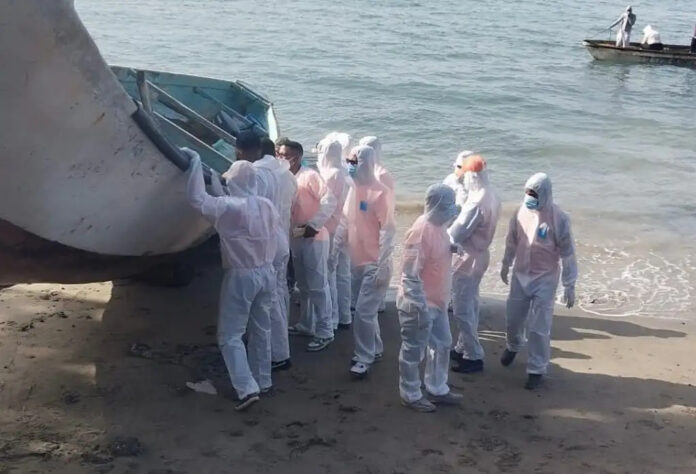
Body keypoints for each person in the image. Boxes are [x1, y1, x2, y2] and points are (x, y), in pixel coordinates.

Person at [184, 149, 278, 411]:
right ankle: (263, 380)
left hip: (242, 275)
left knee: (230, 335)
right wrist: (217, 185)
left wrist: (194, 162)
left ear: (234, 183)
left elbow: (196, 199)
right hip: (267, 272)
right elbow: (233, 206)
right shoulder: (266, 205)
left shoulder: (228, 207)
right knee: (261, 328)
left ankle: (246, 389)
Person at [500, 173, 578, 390]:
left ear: (544, 194)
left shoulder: (559, 218)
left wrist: (569, 284)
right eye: (527, 192)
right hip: (521, 274)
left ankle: (536, 368)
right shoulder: (519, 212)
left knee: (539, 327)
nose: (529, 197)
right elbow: (511, 241)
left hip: (545, 278)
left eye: (533, 194)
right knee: (513, 318)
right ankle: (513, 344)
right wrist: (506, 264)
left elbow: (568, 253)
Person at [397, 184, 463, 412]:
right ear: (435, 205)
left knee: (442, 344)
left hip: (438, 301)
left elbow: (436, 251)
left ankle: (437, 387)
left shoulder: (439, 227)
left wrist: (451, 248)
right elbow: (410, 273)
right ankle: (411, 393)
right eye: (447, 205)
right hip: (419, 304)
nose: (451, 210)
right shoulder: (420, 231)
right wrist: (418, 305)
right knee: (414, 349)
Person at [333, 145, 395, 378]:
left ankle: (363, 357)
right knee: (364, 311)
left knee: (363, 313)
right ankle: (375, 347)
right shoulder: (355, 188)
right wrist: (335, 249)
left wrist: (381, 263)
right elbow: (346, 220)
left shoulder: (380, 193)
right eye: (348, 160)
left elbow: (388, 232)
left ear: (364, 162)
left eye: (353, 161)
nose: (349, 165)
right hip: (357, 260)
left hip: (374, 263)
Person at [279, 140, 337, 352]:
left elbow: (329, 200)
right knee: (303, 285)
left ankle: (325, 331)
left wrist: (314, 224)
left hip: (314, 237)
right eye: (280, 154)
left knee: (318, 285)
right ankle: (306, 323)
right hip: (295, 236)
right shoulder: (284, 178)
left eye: (286, 155)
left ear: (298, 156)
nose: (282, 158)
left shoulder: (309, 176)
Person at [448, 154, 501, 374]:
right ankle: (463, 346)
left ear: (471, 176)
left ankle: (473, 354)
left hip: (467, 259)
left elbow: (458, 233)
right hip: (480, 255)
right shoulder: (492, 196)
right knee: (471, 303)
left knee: (461, 308)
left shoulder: (476, 202)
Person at [316, 136, 352, 330]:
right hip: (346, 225)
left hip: (331, 229)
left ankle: (332, 317)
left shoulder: (330, 174)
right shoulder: (345, 172)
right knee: (343, 272)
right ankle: (344, 315)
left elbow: (326, 204)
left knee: (328, 272)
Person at [358, 136, 395, 314]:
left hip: (379, 222)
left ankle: (379, 300)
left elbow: (385, 201)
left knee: (380, 259)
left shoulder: (381, 174)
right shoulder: (366, 172)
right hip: (367, 222)